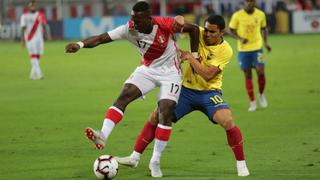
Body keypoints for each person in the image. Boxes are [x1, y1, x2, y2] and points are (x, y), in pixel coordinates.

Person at [65, 1, 199, 178]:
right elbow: (100, 38)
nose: (134, 23)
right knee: (124, 96)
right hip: (148, 69)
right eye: (132, 18)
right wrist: (80, 45)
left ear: (148, 18)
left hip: (170, 73)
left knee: (165, 111)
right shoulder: (128, 29)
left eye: (138, 20)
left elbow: (194, 30)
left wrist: (194, 56)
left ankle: (155, 161)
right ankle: (103, 135)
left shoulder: (164, 24)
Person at [116, 14, 250, 177]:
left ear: (222, 32)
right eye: (206, 30)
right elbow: (175, 25)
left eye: (212, 32)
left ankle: (241, 164)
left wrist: (189, 57)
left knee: (227, 121)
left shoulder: (225, 50)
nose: (207, 34)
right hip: (185, 91)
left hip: (209, 93)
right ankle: (134, 157)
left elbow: (208, 75)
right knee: (156, 117)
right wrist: (178, 20)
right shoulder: (198, 32)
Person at [228, 0, 272, 112]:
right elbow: (231, 30)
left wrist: (266, 43)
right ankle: (252, 102)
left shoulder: (260, 14)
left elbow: (264, 28)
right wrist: (240, 38)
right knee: (248, 74)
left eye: (251, 1)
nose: (249, 3)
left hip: (257, 48)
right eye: (247, 1)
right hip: (243, 50)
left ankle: (261, 94)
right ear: (244, 3)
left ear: (255, 2)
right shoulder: (237, 15)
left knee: (260, 71)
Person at [20, 1, 51, 80]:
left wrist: (47, 35)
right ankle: (39, 74)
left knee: (37, 56)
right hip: (30, 38)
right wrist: (23, 40)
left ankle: (32, 75)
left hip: (39, 39)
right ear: (29, 7)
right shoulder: (24, 16)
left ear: (36, 6)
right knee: (33, 55)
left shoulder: (40, 15)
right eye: (31, 6)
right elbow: (22, 28)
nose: (33, 7)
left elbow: (44, 26)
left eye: (34, 6)